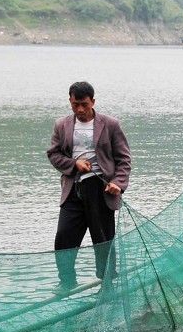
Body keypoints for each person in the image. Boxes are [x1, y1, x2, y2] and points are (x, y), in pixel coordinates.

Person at [47, 81, 132, 290]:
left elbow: (124, 160)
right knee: (64, 237)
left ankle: (107, 284)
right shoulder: (62, 125)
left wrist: (118, 184)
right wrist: (73, 164)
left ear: (93, 101)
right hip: (73, 189)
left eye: (84, 104)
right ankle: (66, 282)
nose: (80, 109)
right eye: (76, 104)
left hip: (101, 190)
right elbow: (54, 154)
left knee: (103, 241)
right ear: (70, 101)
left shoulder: (110, 124)